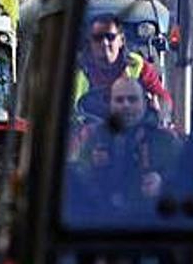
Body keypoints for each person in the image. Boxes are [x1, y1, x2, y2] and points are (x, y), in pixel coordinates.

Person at [75, 77, 181, 214]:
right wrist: (93, 168)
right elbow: (78, 182)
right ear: (110, 104)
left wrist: (162, 183)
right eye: (119, 100)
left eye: (132, 99)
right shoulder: (95, 138)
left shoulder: (166, 140)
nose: (126, 105)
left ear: (144, 103)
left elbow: (187, 180)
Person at [74, 13, 173, 124]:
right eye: (98, 38)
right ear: (90, 42)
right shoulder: (77, 71)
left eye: (110, 37)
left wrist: (159, 110)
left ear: (121, 40)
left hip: (133, 133)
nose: (105, 43)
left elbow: (162, 97)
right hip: (91, 134)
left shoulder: (138, 66)